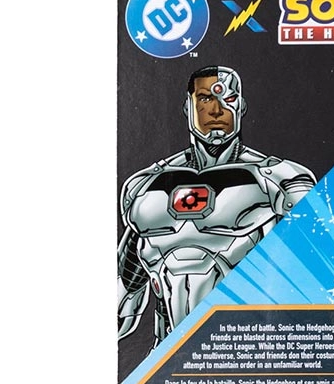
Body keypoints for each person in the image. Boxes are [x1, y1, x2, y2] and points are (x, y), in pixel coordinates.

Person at [117, 66, 315, 349]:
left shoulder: (279, 181)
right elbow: (122, 301)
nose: (216, 110)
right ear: (188, 107)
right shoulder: (144, 187)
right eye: (206, 98)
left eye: (228, 99)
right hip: (168, 360)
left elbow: (321, 265)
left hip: (250, 351)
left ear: (241, 107)